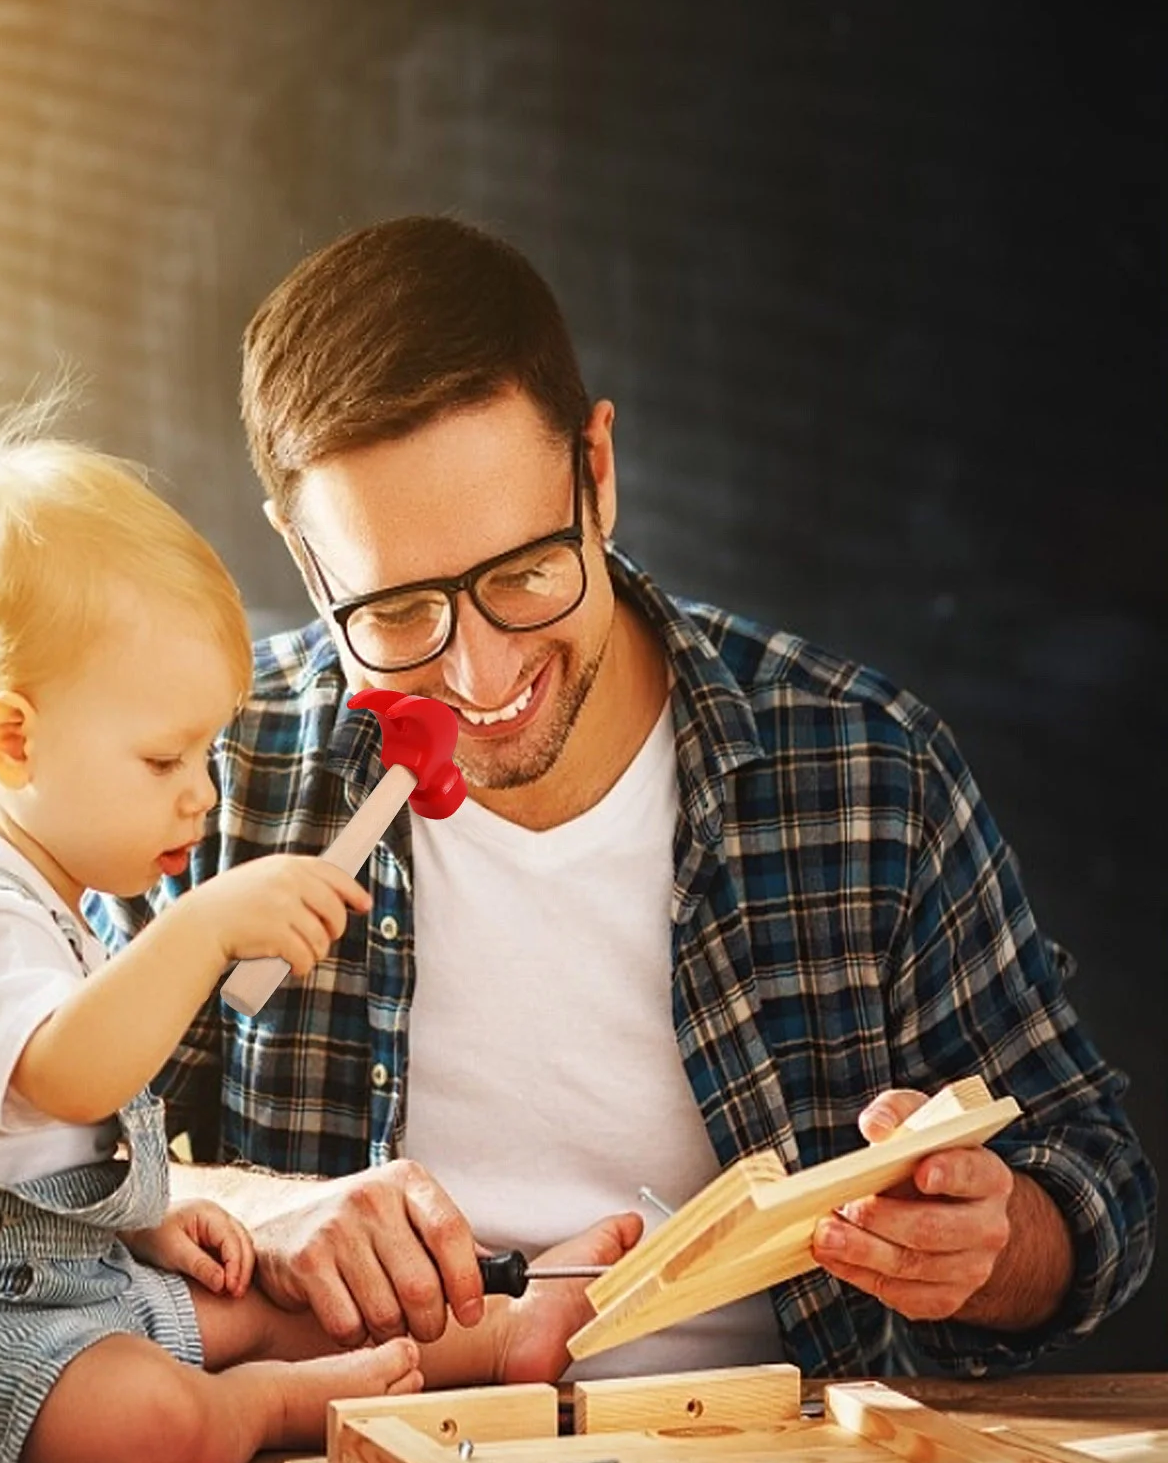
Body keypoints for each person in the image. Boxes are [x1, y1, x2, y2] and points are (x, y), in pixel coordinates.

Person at [91, 215, 1157, 1382]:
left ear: (597, 472)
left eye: (522, 573)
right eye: (394, 612)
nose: (475, 674)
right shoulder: (226, 772)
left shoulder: (866, 772)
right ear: (305, 561)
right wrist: (253, 1207)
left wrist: (993, 1239)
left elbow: (1097, 1183)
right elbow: (19, 1164)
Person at [0, 401, 643, 1463]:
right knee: (154, 1413)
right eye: (163, 757)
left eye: (208, 749)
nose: (201, 790)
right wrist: (204, 926)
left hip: (54, 1284)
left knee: (266, 1301)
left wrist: (150, 1213)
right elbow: (69, 1073)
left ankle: (512, 1327)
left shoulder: (49, 907)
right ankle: (271, 1409)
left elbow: (31, 1143)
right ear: (13, 740)